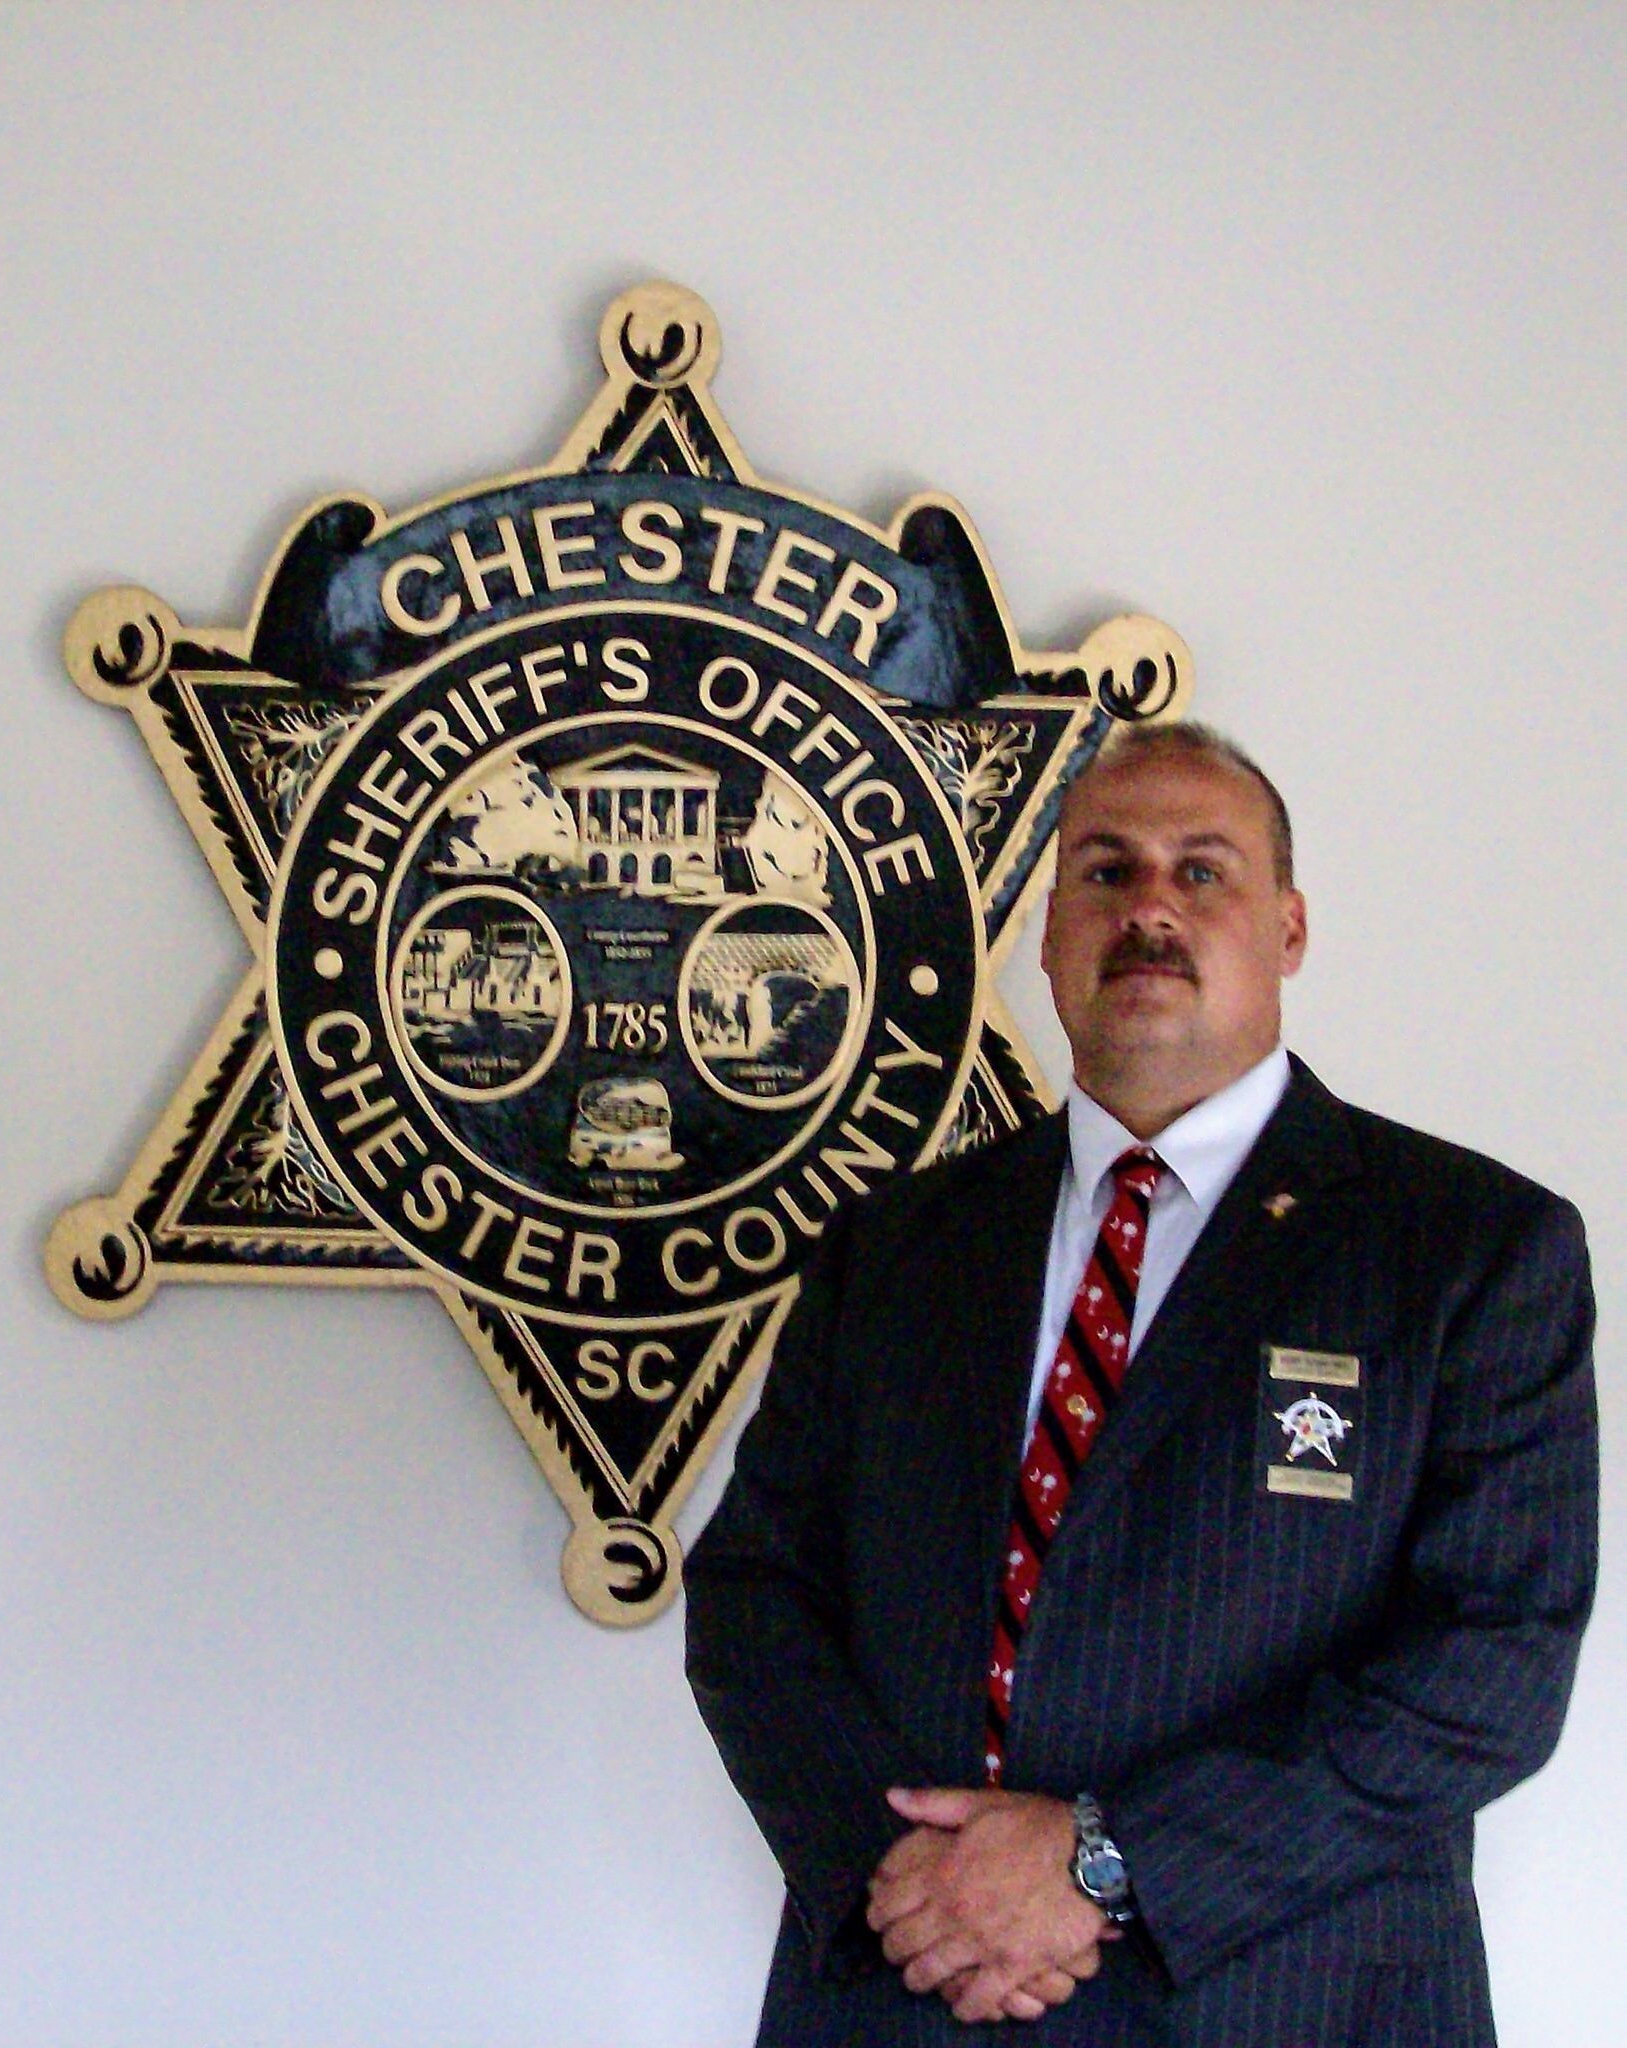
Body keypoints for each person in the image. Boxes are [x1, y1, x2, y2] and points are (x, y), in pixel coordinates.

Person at [683, 723, 1597, 2046]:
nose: (1150, 908)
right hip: (908, 1988)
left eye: (1202, 870)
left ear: (1288, 929)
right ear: (1053, 933)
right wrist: (911, 1885)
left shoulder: (1470, 1249)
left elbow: (1496, 1667)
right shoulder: (894, 1248)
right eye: (1106, 872)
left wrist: (1108, 1864)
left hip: (1291, 2005)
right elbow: (755, 1594)